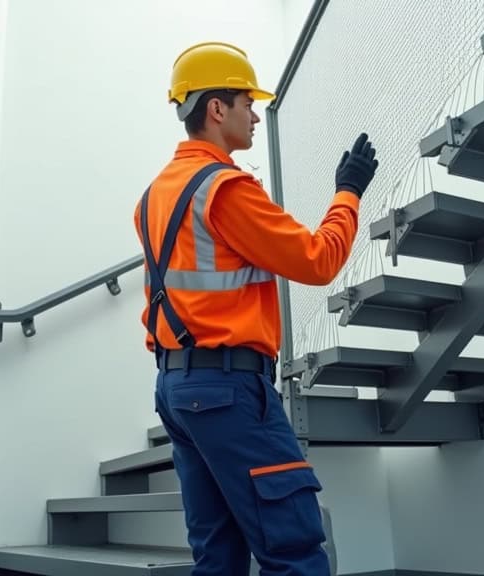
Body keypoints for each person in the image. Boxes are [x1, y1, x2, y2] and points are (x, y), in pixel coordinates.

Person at [134, 41, 378, 575]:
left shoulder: (153, 196)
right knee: (292, 549)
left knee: (216, 555)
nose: (255, 114)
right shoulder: (225, 188)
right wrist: (348, 193)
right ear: (216, 108)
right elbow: (317, 260)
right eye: (247, 102)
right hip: (228, 391)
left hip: (175, 389)